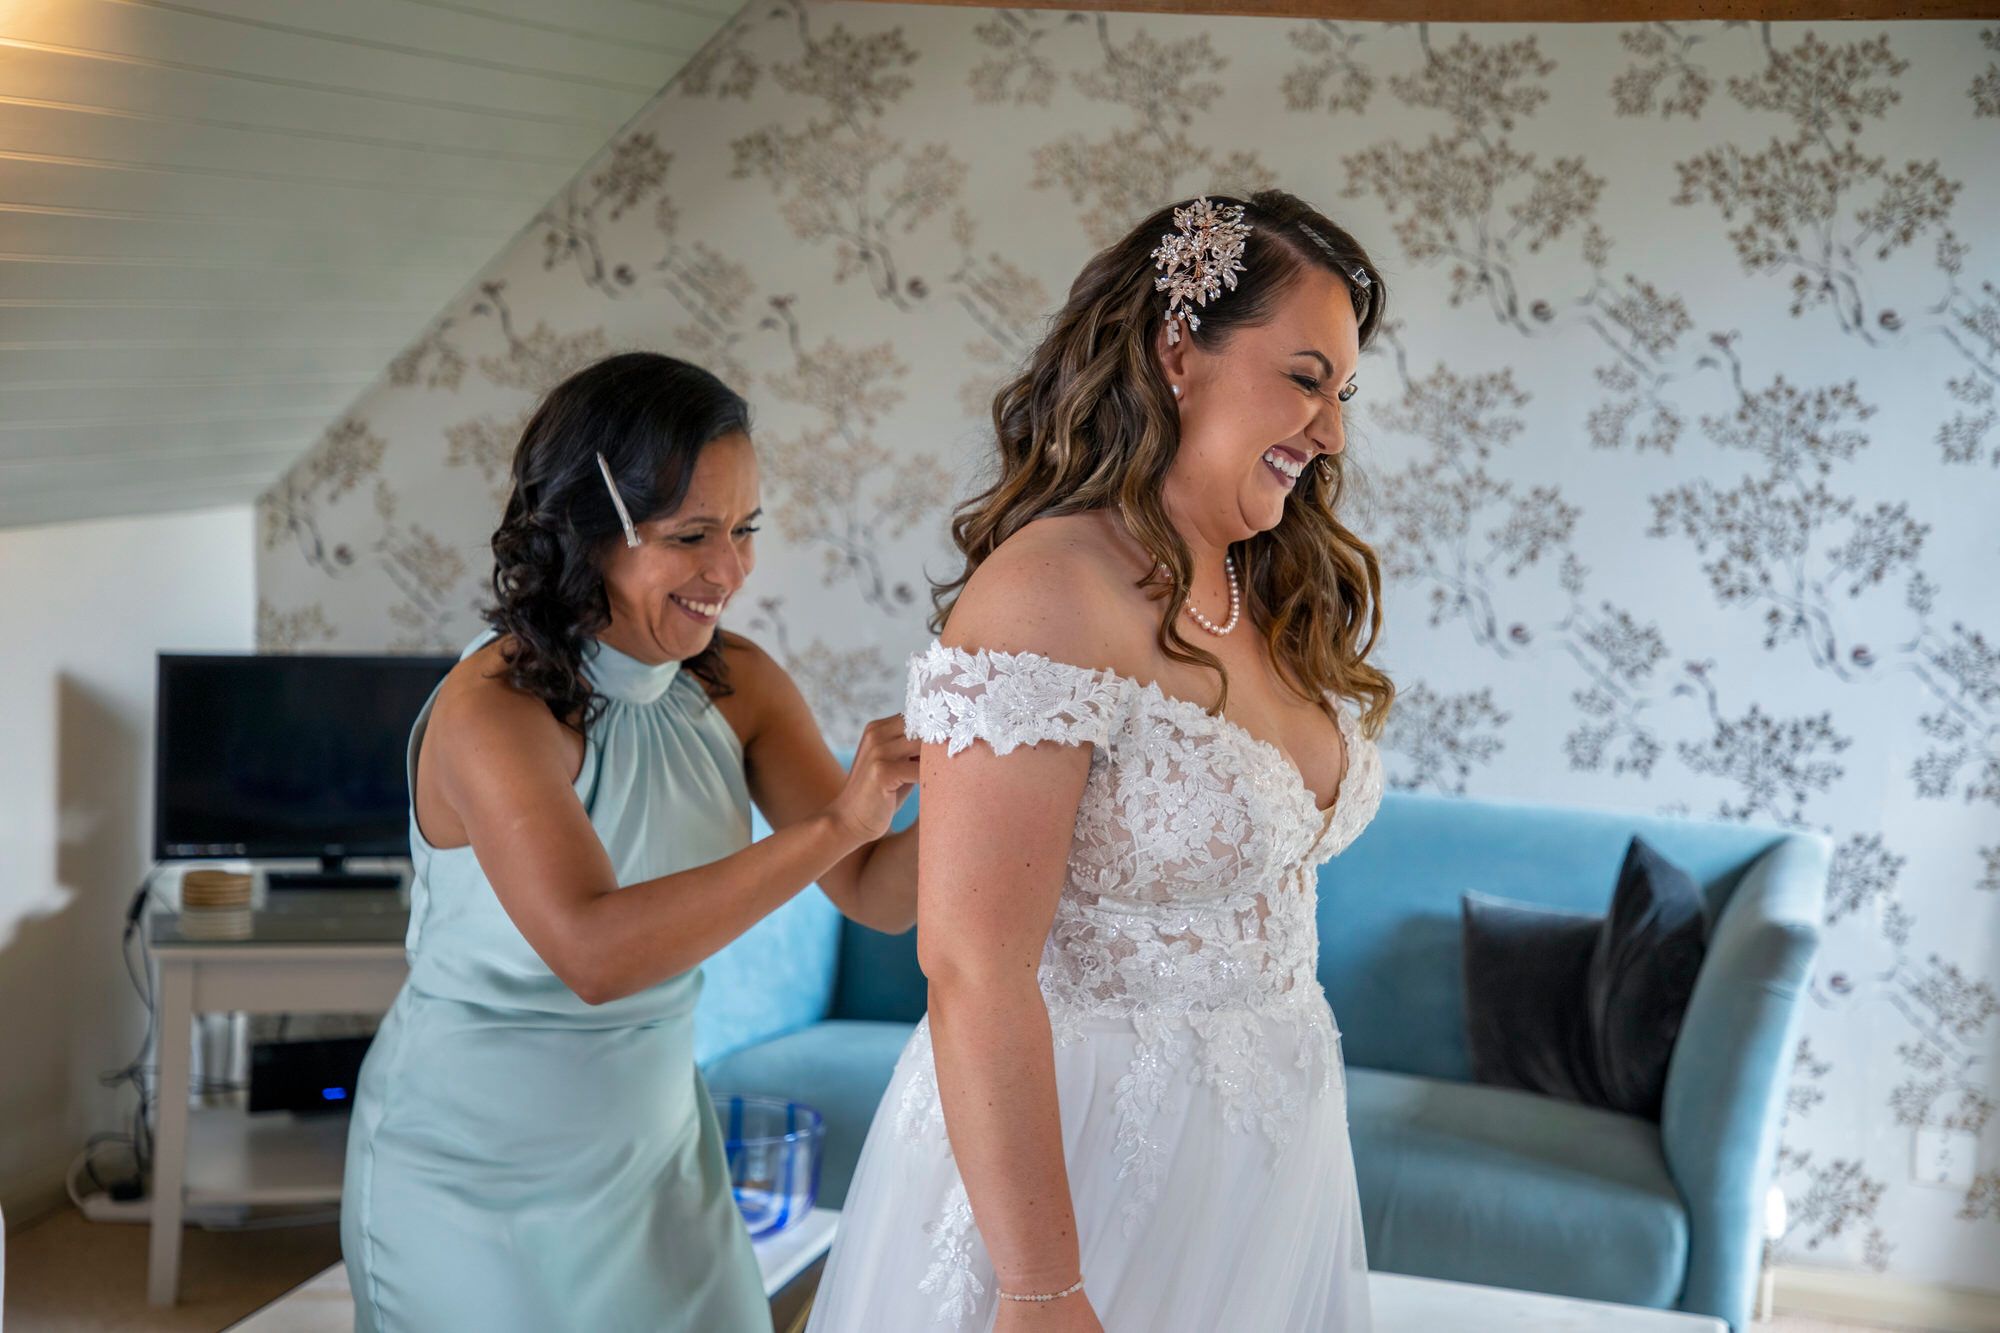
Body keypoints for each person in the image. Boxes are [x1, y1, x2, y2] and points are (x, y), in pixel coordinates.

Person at [804, 191, 1395, 1332]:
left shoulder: (1266, 584)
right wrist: (1038, 1285)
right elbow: (972, 960)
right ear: (1178, 349)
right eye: (1305, 378)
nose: (1328, 430)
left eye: (1341, 395)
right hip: (1080, 1163)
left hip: (1266, 1155)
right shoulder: (1046, 589)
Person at [340, 352, 920, 1333]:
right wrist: (835, 823)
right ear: (585, 532)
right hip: (474, 1185)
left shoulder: (735, 683)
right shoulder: (495, 711)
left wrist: (975, 774)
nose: (729, 572)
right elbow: (594, 954)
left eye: (743, 531)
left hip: (655, 1164)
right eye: (691, 535)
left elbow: (876, 891)